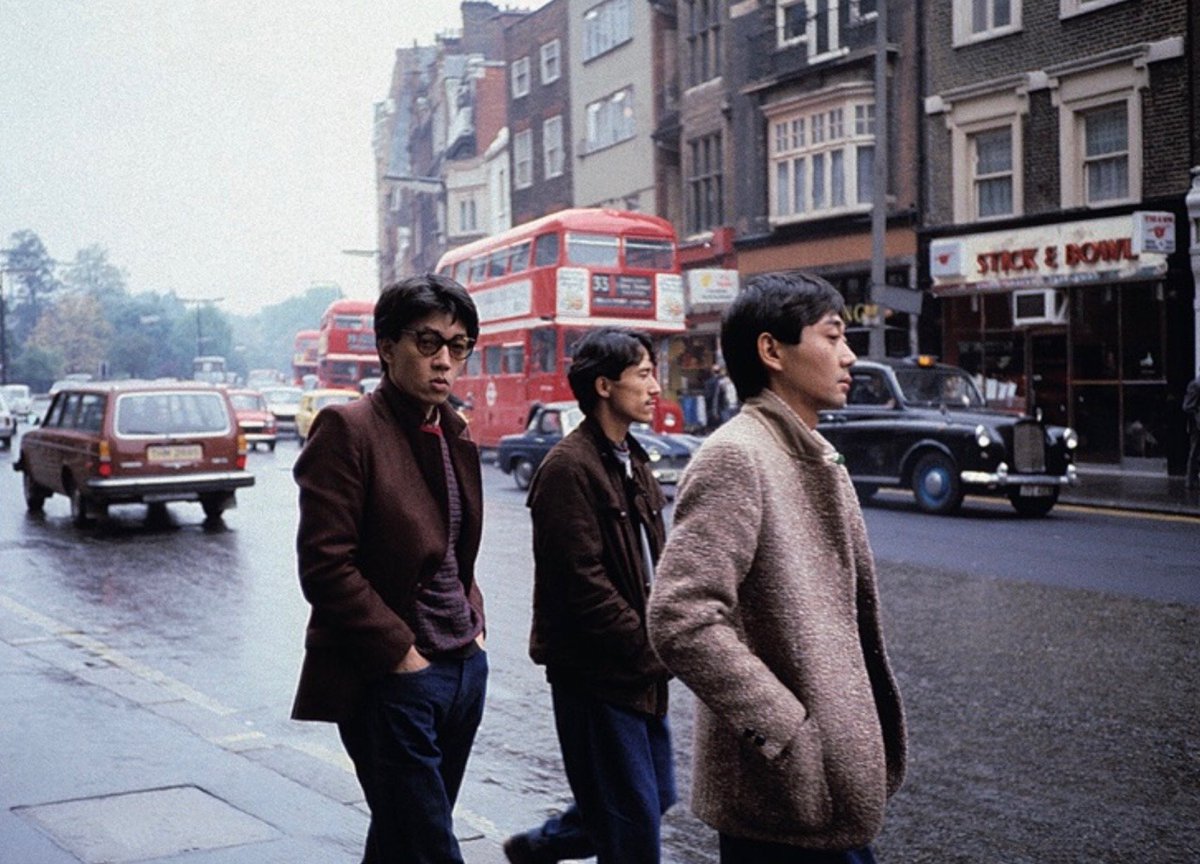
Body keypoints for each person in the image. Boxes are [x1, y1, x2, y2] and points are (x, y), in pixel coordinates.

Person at [647, 271, 907, 864]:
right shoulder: (738, 455)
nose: (849, 355)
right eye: (833, 336)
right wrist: (785, 730)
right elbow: (680, 618)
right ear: (772, 351)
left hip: (822, 799)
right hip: (782, 803)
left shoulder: (805, 448)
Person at [291, 273, 487, 864]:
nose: (445, 362)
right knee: (432, 846)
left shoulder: (452, 429)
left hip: (461, 669)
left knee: (403, 841)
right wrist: (400, 654)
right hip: (394, 677)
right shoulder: (348, 429)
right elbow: (325, 564)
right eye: (428, 344)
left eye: (458, 347)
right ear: (385, 347)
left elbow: (456, 550)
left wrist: (474, 627)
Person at [503, 327, 676, 864]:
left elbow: (656, 561)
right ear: (605, 385)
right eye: (644, 374)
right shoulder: (567, 469)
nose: (655, 388)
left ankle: (542, 846)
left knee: (655, 797)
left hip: (641, 671)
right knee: (633, 833)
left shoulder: (634, 459)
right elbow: (582, 586)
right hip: (598, 674)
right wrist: (652, 649)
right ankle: (553, 843)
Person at [1184, 370, 1200, 490]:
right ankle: (1190, 481)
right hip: (1196, 426)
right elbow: (1187, 406)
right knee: (1194, 452)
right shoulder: (1195, 384)